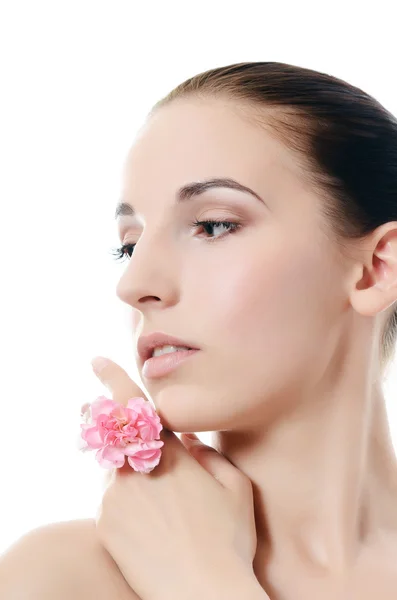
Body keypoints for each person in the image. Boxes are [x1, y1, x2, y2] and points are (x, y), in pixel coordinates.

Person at [2, 61, 397, 599]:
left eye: (213, 225)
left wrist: (203, 584)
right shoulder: (58, 580)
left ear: (377, 268)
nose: (134, 282)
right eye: (129, 243)